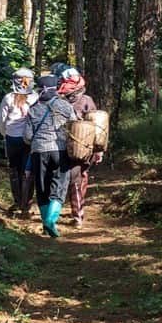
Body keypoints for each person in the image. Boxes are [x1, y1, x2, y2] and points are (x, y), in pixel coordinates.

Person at [23, 73, 76, 238]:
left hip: (38, 152)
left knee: (42, 187)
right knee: (59, 185)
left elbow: (27, 137)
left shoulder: (33, 109)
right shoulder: (65, 106)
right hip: (59, 151)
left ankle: (46, 224)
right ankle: (50, 222)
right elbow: (75, 127)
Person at [58, 67, 102, 228]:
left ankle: (76, 215)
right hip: (83, 147)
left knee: (74, 179)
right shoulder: (87, 100)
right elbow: (98, 126)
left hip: (67, 146)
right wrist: (98, 150)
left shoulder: (58, 100)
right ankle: (78, 214)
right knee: (80, 178)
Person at [0, 67, 38, 218]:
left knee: (14, 170)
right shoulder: (35, 98)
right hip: (29, 140)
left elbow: (2, 121)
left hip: (11, 138)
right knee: (28, 171)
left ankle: (17, 201)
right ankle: (26, 204)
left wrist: (6, 134)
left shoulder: (8, 98)